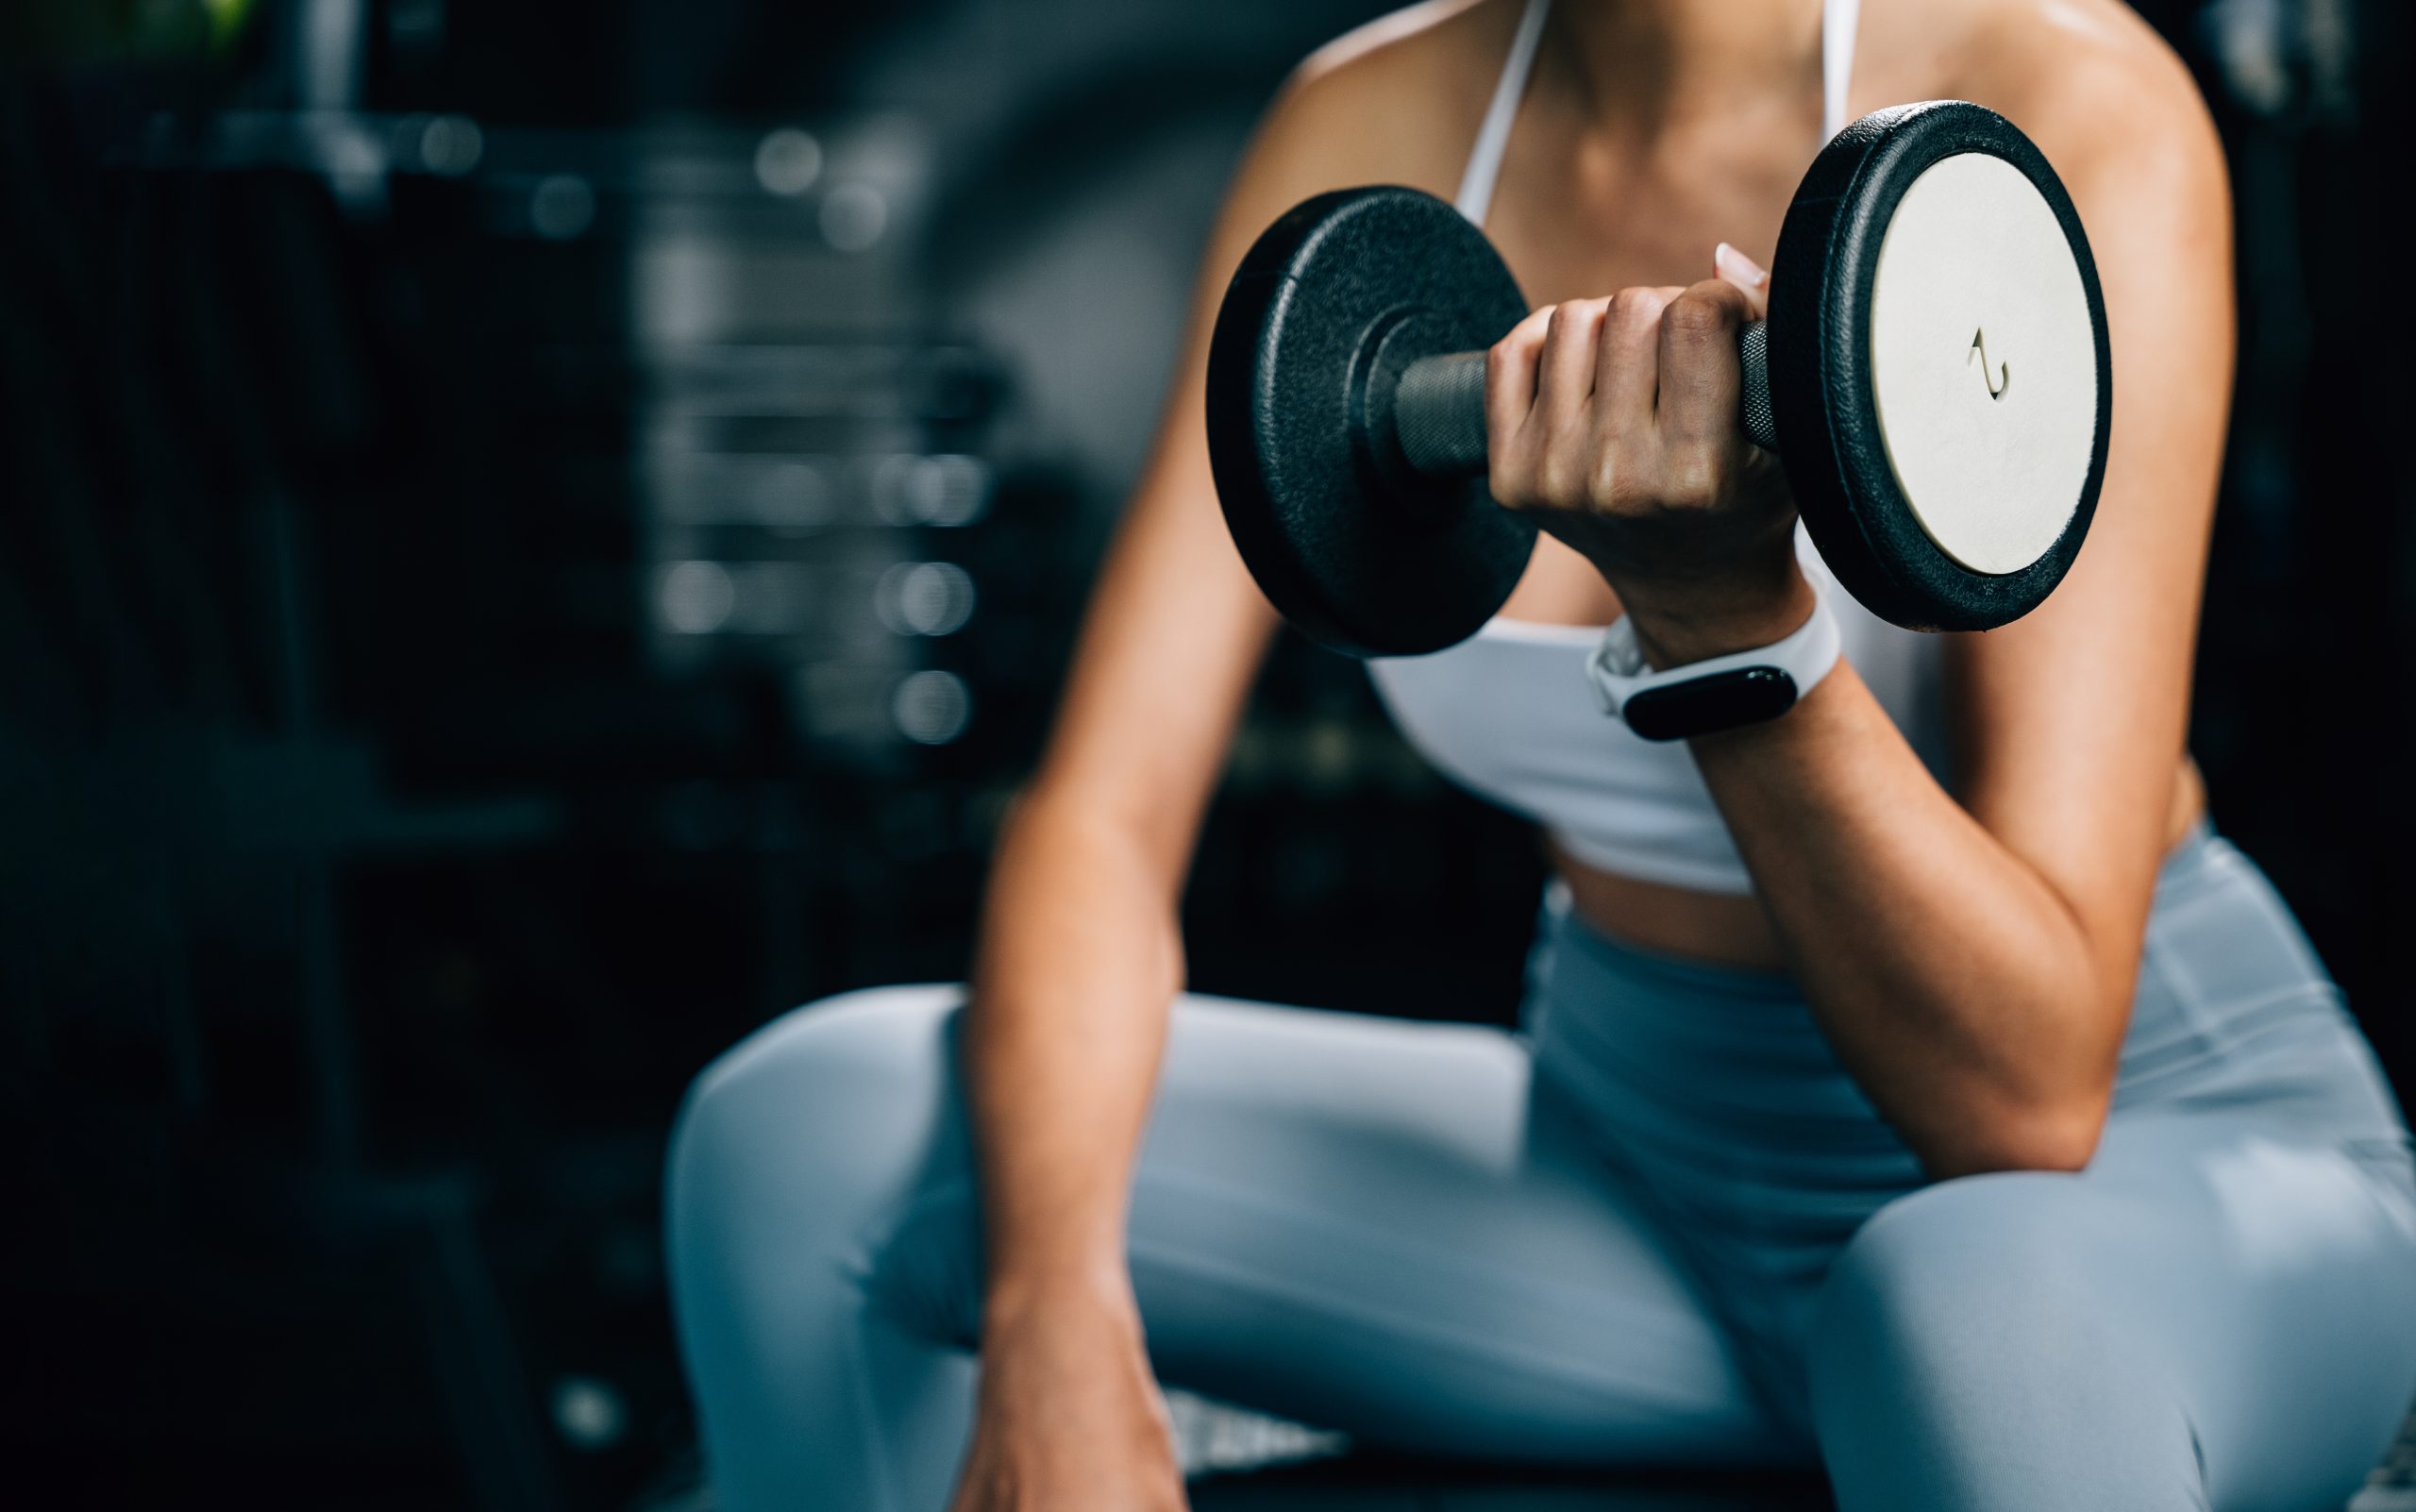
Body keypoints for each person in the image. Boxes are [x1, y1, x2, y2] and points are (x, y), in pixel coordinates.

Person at [664, 1, 2416, 1507]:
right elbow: (1103, 818)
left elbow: (2023, 1101)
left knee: (1975, 1312)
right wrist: (1057, 1312)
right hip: (1634, 1179)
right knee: (811, 1133)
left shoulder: (2063, 104)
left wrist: (1727, 630)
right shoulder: (1374, 117)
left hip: (2131, 1189)